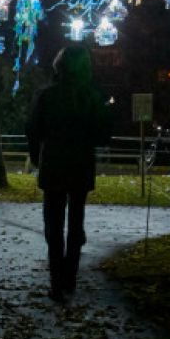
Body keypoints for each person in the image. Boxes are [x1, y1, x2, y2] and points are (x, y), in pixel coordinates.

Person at [26, 46, 112, 302]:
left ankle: (56, 280)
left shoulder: (46, 95)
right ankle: (69, 277)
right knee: (76, 222)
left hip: (54, 165)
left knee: (53, 224)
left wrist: (35, 156)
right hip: (80, 165)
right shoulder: (90, 96)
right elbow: (102, 135)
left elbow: (33, 129)